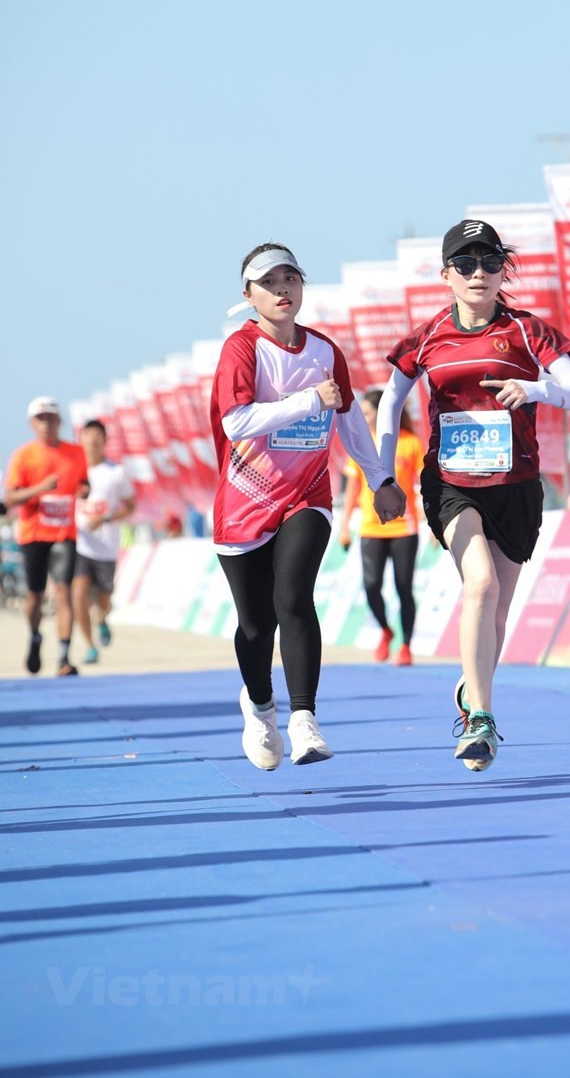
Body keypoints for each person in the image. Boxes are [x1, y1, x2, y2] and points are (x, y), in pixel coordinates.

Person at [376, 219, 570, 771]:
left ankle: (470, 686)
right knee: (479, 584)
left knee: (496, 607)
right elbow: (388, 405)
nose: (479, 274)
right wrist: (384, 477)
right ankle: (480, 720)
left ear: (505, 271)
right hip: (451, 481)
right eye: (467, 264)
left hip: (517, 484)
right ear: (446, 273)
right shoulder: (427, 336)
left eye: (491, 263)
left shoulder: (527, 332)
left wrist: (536, 388)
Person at [212, 242, 405, 772]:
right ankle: (258, 705)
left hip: (307, 495)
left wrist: (379, 477)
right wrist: (305, 402)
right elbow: (236, 423)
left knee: (293, 598)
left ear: (301, 286)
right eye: (268, 282)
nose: (281, 290)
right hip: (245, 499)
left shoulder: (325, 351)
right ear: (248, 295)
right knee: (255, 625)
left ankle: (304, 720)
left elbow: (348, 420)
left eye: (289, 279)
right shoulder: (241, 349)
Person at [3, 397, 89, 676]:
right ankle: (35, 637)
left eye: (51, 418)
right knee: (35, 596)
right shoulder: (23, 456)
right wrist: (40, 488)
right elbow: (10, 497)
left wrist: (84, 490)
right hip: (33, 534)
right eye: (41, 419)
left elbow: (84, 482)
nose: (46, 423)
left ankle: (64, 656)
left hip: (64, 532)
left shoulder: (76, 453)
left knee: (63, 590)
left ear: (59, 421)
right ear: (32, 423)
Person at [338, 391, 424, 664]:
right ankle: (385, 630)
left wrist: (432, 521)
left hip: (404, 528)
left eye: (368, 412)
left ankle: (406, 646)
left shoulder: (410, 443)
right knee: (372, 585)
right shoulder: (362, 445)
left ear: (382, 412)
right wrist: (344, 525)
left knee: (403, 586)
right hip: (370, 528)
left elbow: (423, 486)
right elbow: (352, 487)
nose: (364, 417)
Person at [72, 419, 136, 664]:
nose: (93, 439)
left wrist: (105, 518)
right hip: (80, 544)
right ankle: (89, 646)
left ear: (105, 441)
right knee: (78, 593)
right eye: (88, 434)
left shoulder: (116, 473)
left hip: (107, 548)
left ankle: (102, 618)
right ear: (81, 439)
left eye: (98, 435)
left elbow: (131, 506)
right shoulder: (74, 471)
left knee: (104, 600)